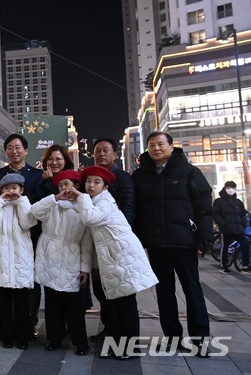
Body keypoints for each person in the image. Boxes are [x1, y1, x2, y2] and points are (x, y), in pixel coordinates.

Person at [132, 131, 213, 356]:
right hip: (156, 243)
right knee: (164, 291)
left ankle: (200, 339)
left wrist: (204, 236)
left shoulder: (188, 172)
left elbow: (204, 205)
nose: (156, 148)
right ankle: (172, 337)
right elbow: (136, 210)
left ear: (171, 146)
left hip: (183, 241)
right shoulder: (140, 175)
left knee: (192, 289)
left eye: (160, 144)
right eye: (151, 145)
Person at [76, 166, 158, 360]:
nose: (91, 185)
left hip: (123, 259)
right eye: (88, 181)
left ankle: (131, 348)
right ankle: (117, 345)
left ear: (105, 187)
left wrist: (80, 197)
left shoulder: (104, 202)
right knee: (114, 305)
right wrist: (88, 268)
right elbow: (88, 242)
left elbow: (90, 218)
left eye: (96, 182)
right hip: (112, 261)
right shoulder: (93, 202)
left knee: (126, 305)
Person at [31, 170, 92, 356]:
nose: (65, 188)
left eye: (68, 184)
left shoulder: (84, 208)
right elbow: (34, 212)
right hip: (50, 257)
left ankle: (80, 342)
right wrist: (53, 198)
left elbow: (87, 242)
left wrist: (85, 268)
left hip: (72, 258)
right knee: (52, 304)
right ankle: (53, 339)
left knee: (74, 305)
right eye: (61, 185)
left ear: (76, 186)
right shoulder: (52, 206)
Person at [0, 173, 36, 349]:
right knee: (4, 302)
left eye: (14, 188)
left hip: (21, 259)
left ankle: (23, 337)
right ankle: (6, 336)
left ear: (21, 189)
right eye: (6, 188)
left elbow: (29, 222)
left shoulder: (25, 205)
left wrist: (21, 201)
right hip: (1, 259)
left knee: (21, 302)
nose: (11, 192)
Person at [89, 137, 136, 342]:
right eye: (97, 150)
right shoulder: (91, 179)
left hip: (117, 243)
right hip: (97, 244)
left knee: (123, 293)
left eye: (105, 150)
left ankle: (128, 340)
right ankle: (110, 329)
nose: (101, 153)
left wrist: (117, 235)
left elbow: (129, 207)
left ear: (115, 154)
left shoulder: (123, 178)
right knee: (102, 290)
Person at [0, 134, 45, 203]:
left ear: (26, 151)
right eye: (10, 148)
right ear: (5, 152)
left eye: (17, 147)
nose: (14, 151)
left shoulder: (37, 174)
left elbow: (38, 197)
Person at [214, 181, 249, 272]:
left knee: (245, 244)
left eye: (233, 187)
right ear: (225, 188)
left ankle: (246, 264)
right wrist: (223, 224)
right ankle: (224, 266)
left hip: (238, 229)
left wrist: (244, 224)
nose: (231, 189)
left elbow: (242, 214)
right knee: (225, 247)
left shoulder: (238, 202)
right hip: (226, 230)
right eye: (229, 187)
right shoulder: (219, 201)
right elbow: (216, 215)